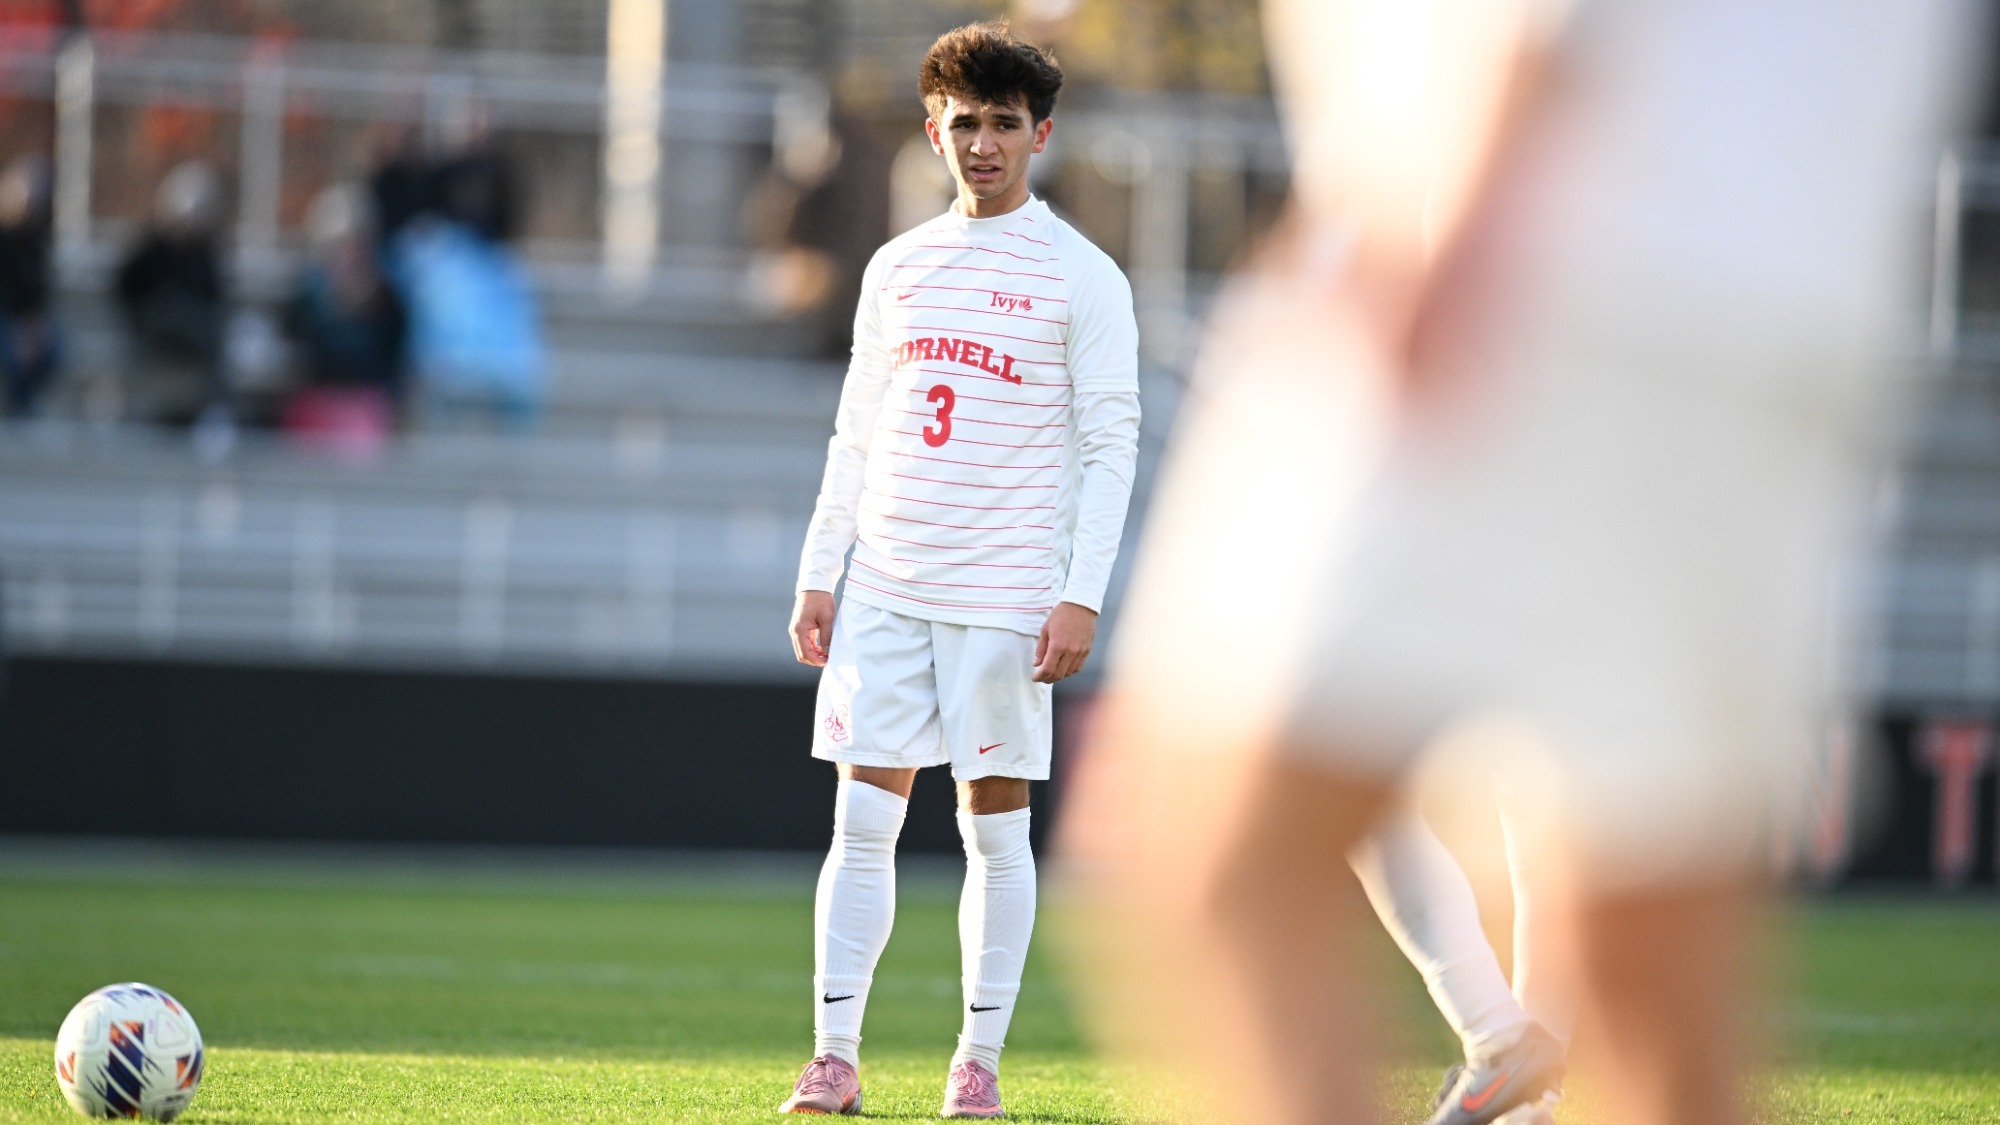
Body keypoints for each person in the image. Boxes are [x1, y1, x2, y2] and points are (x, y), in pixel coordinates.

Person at [1064, 3, 1969, 1125]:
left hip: (1545, 262)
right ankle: (1506, 1037)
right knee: (1642, 938)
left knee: (1217, 848)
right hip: (1769, 292)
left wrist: (1457, 209)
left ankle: (1497, 1031)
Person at [781, 21, 1140, 1118]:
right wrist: (821, 569)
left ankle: (976, 1062)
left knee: (994, 832)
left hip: (1004, 595)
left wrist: (1080, 593)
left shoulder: (1081, 275)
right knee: (860, 826)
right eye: (965, 123)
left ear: (1040, 135)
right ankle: (833, 1056)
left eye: (1004, 124)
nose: (983, 144)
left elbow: (1110, 443)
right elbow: (857, 430)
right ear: (933, 130)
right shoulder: (898, 265)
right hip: (889, 581)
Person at [0, 154, 58, 417]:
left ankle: (23, 405)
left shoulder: (36, 243)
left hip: (24, 320)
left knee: (57, 346)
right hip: (6, 319)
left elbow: (36, 290)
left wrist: (33, 323)